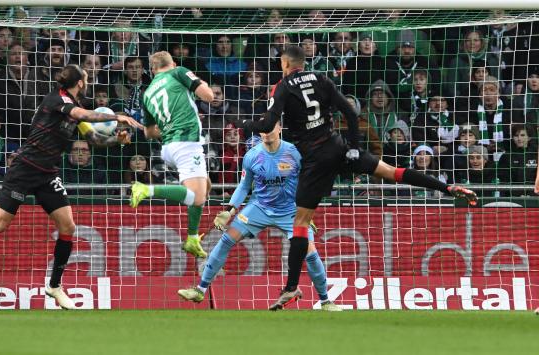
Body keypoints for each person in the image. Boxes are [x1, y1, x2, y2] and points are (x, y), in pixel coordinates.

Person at [239, 45, 478, 310]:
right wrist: (353, 146)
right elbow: (351, 113)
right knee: (391, 172)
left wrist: (247, 125)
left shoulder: (282, 86)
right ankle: (448, 187)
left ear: (285, 64)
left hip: (315, 161)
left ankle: (291, 288)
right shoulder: (322, 79)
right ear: (303, 63)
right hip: (338, 147)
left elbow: (267, 123)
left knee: (300, 223)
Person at [0, 64, 143, 309]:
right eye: (86, 78)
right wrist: (116, 115)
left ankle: (54, 286)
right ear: (80, 82)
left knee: (67, 225)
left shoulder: (74, 107)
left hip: (47, 174)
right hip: (24, 169)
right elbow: (83, 115)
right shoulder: (57, 99)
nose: (88, 81)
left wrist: (117, 139)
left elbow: (94, 139)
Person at [177, 122, 342, 311]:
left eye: (271, 128)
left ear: (280, 128)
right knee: (226, 240)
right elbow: (244, 186)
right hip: (259, 208)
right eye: (263, 130)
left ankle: (325, 301)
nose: (266, 133)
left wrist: (307, 211)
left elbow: (308, 181)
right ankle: (200, 290)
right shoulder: (252, 156)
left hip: (290, 211)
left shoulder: (294, 153)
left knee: (310, 253)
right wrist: (230, 210)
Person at [130, 51, 214, 258]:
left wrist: (169, 124)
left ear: (152, 70)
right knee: (196, 197)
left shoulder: (147, 93)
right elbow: (209, 96)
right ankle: (146, 189)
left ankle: (192, 238)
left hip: (168, 147)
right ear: (173, 64)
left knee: (206, 185)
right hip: (186, 142)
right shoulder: (179, 72)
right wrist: (194, 83)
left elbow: (149, 132)